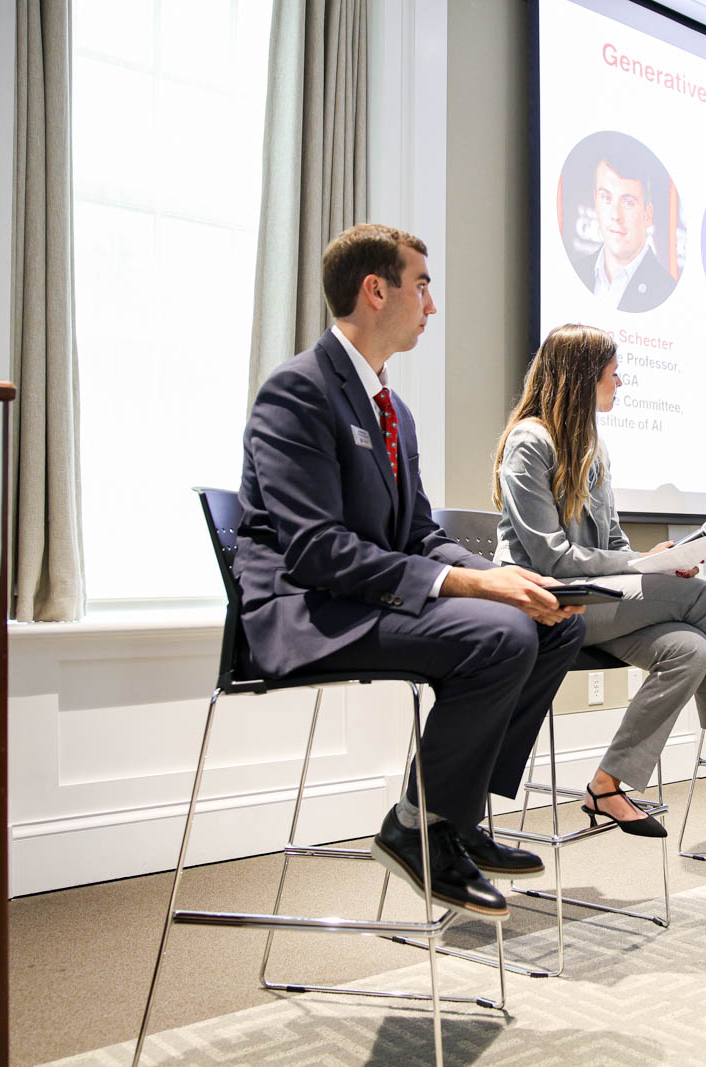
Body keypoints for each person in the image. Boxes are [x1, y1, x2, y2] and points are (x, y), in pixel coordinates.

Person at [237, 224, 587, 917]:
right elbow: (315, 550)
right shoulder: (298, 391)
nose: (431, 304)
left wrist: (507, 578)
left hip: (365, 595)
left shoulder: (394, 409)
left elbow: (421, 535)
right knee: (502, 636)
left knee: (549, 627)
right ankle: (419, 828)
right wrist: (473, 584)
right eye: (421, 284)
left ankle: (452, 818)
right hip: (308, 608)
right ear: (376, 290)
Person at [494, 326, 706, 832]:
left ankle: (608, 784)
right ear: (582, 379)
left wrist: (656, 559)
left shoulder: (593, 447)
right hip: (548, 601)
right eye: (613, 374)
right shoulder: (530, 442)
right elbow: (551, 558)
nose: (619, 383)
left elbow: (614, 544)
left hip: (598, 598)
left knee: (691, 650)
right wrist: (637, 566)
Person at [571, 146, 676, 313]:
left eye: (628, 202)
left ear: (647, 215)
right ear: (595, 201)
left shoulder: (667, 292)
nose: (615, 215)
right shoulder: (575, 273)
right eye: (606, 198)